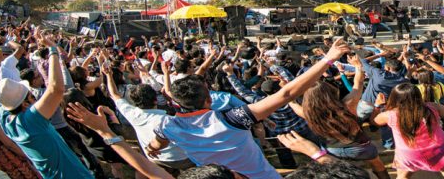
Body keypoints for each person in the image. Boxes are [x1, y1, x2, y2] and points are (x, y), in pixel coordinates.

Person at [145, 38, 351, 179]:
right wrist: (328, 58)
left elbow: (157, 143)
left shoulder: (167, 126)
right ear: (209, 99)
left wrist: (152, 149)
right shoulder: (233, 118)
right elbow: (286, 94)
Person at [0, 34, 93, 178]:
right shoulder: (31, 120)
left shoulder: (5, 117)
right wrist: (52, 49)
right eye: (31, 96)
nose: (34, 99)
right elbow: (56, 89)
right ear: (25, 104)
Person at [290, 53, 390, 179]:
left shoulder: (307, 113)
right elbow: (358, 83)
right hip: (359, 146)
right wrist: (358, 67)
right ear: (331, 92)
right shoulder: (348, 104)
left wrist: (287, 88)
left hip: (332, 150)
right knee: (377, 164)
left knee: (340, 173)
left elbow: (291, 101)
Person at [371, 82, 444, 179]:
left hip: (409, 153)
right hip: (439, 148)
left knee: (403, 175)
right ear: (418, 95)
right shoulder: (432, 107)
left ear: (394, 97)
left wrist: (377, 106)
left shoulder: (390, 115)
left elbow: (373, 121)